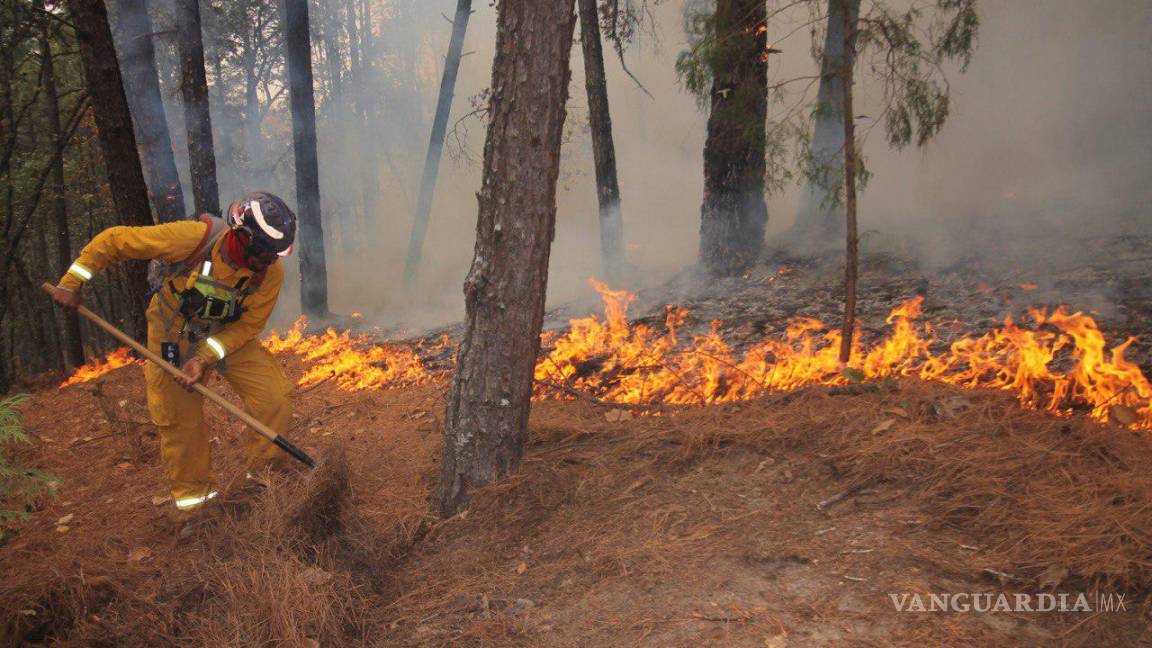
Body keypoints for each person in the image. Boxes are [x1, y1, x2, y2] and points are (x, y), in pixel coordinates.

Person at [52, 192, 298, 515]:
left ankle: (264, 480)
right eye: (264, 255)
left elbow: (247, 326)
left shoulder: (270, 273)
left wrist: (204, 358)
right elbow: (115, 241)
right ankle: (197, 508)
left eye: (275, 256)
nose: (269, 263)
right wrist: (73, 281)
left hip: (225, 336)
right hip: (173, 335)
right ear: (243, 238)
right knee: (180, 420)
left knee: (273, 396)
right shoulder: (193, 239)